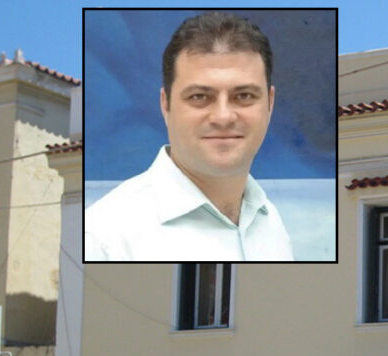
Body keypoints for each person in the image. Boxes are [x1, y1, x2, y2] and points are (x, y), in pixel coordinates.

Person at [85, 12, 294, 261]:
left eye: (244, 96)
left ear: (270, 103)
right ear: (166, 105)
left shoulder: (272, 223)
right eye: (199, 97)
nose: (223, 117)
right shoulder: (103, 238)